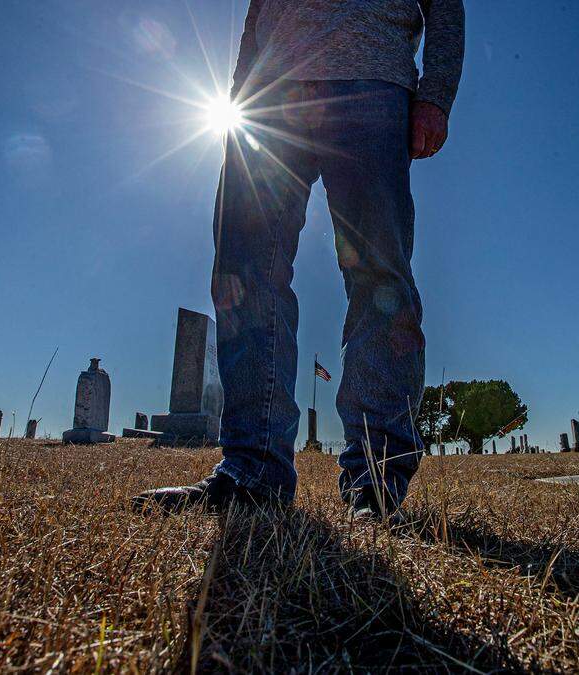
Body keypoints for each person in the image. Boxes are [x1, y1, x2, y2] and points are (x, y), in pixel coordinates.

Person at [133, 0, 465, 520]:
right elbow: (256, 13)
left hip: (372, 83)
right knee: (242, 272)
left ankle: (375, 484)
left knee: (380, 278)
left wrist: (437, 95)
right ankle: (253, 470)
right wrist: (239, 97)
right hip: (268, 99)